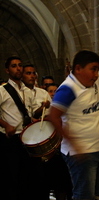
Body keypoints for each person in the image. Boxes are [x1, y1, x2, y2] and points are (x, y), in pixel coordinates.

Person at [48, 50, 99, 200]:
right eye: (93, 69)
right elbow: (53, 116)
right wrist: (75, 145)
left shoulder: (90, 79)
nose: (97, 74)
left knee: (94, 195)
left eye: (97, 70)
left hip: (95, 148)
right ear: (78, 69)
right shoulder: (68, 89)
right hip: (82, 153)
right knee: (84, 196)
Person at [22, 64, 72, 200]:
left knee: (52, 179)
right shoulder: (21, 93)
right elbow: (28, 115)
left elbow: (51, 114)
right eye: (28, 73)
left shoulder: (43, 93)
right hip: (28, 140)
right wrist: (38, 111)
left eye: (34, 73)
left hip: (47, 140)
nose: (32, 75)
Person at [0, 56, 40, 200]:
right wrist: (6, 125)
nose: (18, 68)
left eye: (20, 65)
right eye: (14, 66)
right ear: (7, 70)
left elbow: (28, 114)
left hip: (27, 138)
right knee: (12, 177)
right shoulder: (2, 90)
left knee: (27, 177)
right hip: (11, 139)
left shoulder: (28, 91)